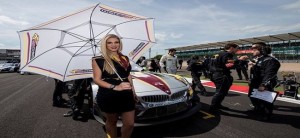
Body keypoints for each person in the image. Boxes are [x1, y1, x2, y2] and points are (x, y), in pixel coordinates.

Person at [92, 34, 137, 138]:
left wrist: (133, 91)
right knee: (112, 121)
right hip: (108, 94)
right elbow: (97, 79)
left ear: (119, 43)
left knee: (130, 124)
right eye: (109, 42)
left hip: (126, 93)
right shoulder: (98, 59)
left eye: (116, 42)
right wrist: (115, 87)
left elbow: (128, 75)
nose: (113, 45)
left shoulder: (124, 58)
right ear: (105, 44)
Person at [247, 42, 280, 121]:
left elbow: (269, 73)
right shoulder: (260, 59)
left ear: (262, 49)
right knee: (252, 96)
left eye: (254, 49)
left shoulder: (270, 60)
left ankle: (268, 115)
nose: (252, 51)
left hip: (263, 83)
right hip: (256, 82)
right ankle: (258, 110)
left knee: (266, 100)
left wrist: (264, 84)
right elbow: (260, 70)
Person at [209, 43, 239, 112]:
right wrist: (239, 60)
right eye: (236, 48)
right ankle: (213, 108)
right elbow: (228, 64)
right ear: (232, 48)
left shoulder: (219, 53)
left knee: (222, 91)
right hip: (221, 75)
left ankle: (217, 104)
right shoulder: (226, 54)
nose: (237, 50)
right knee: (220, 92)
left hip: (216, 74)